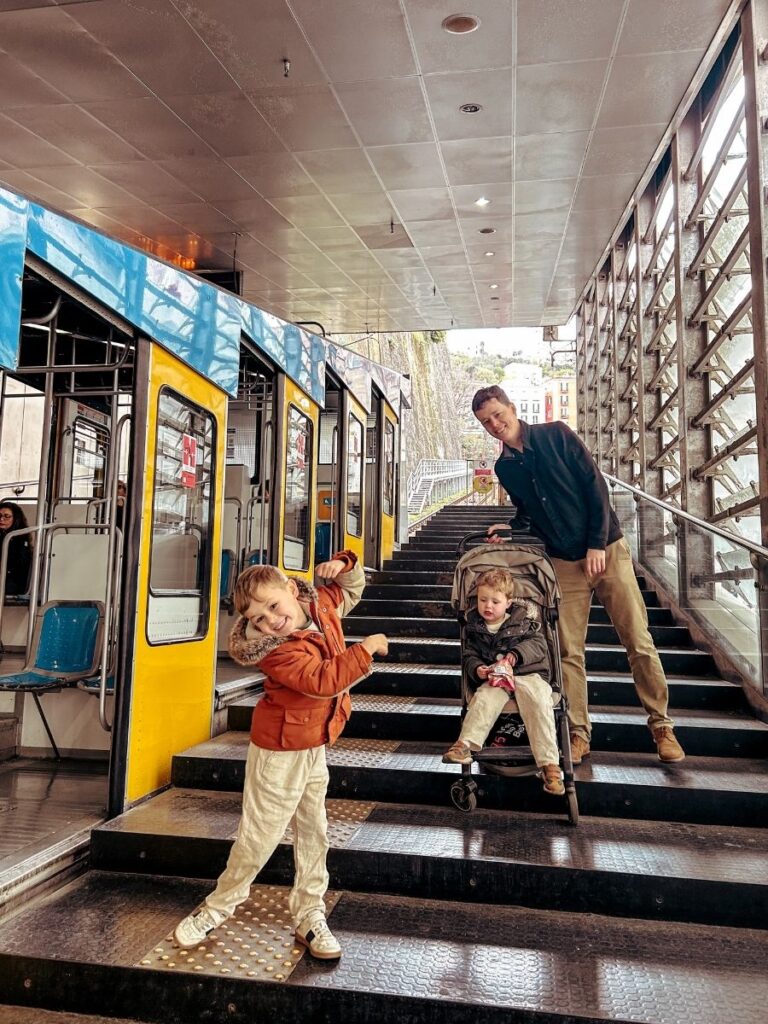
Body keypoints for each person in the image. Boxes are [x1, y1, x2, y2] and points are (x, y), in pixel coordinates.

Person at [173, 551, 388, 959]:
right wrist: (366, 649)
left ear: (292, 590)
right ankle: (216, 909)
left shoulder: (318, 605)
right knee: (260, 838)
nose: (271, 620)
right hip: (279, 751)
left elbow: (352, 589)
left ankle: (309, 915)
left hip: (313, 746)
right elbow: (321, 681)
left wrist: (345, 564)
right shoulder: (275, 650)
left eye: (273, 606)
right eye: (258, 619)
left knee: (314, 833)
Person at [471, 385, 685, 765]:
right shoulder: (505, 467)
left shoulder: (557, 435)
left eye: (498, 415)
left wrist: (596, 544)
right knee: (568, 651)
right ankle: (578, 733)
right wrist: (510, 527)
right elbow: (528, 513)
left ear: (513, 407)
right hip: (563, 564)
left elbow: (595, 488)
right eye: (486, 422)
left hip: (606, 551)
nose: (495, 424)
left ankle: (661, 727)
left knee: (638, 639)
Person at [442, 568, 564, 796]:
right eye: (482, 600)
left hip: (528, 674)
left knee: (538, 700)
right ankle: (464, 745)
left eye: (495, 601)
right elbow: (470, 655)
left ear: (508, 603)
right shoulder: (475, 627)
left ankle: (550, 765)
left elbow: (538, 646)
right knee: (484, 698)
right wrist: (478, 669)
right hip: (496, 679)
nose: (488, 606)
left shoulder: (524, 621)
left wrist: (514, 655)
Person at [0, 500, 32, 597]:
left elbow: (18, 566)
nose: (1, 519)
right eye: (0, 516)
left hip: (12, 583)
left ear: (15, 519)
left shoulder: (20, 539)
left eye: (6, 516)